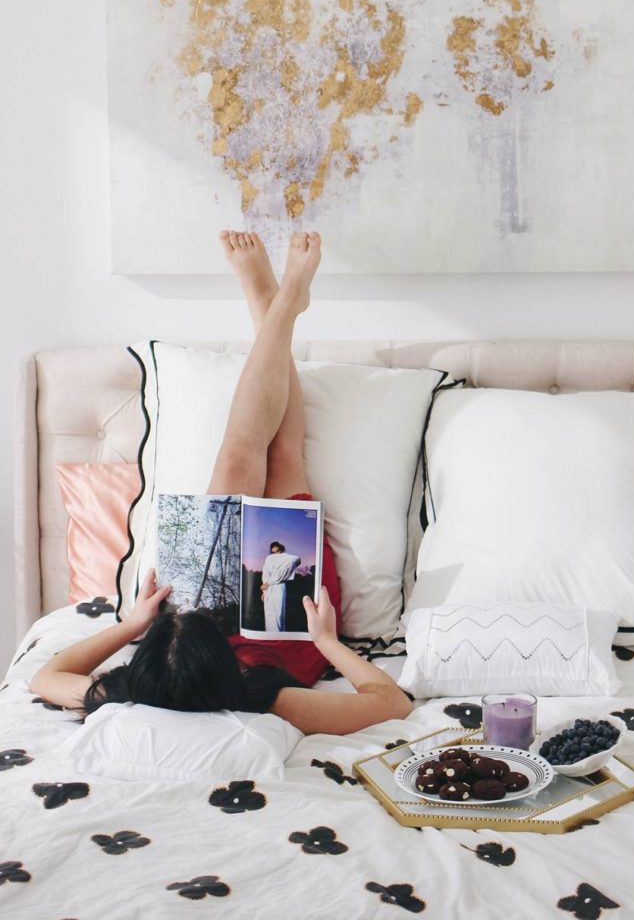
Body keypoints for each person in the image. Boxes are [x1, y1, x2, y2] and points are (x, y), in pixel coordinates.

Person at [29, 231, 412, 736]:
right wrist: (326, 642)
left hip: (201, 616)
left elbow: (45, 677)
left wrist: (133, 626)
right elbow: (392, 704)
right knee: (281, 458)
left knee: (238, 453)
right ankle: (277, 308)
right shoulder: (272, 700)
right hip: (288, 632)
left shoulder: (133, 695)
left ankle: (272, 308)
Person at [260, 540, 300, 632]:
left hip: (278, 586)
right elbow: (265, 574)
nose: (275, 553)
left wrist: (268, 583)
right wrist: (264, 592)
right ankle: (271, 636)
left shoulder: (287, 558)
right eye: (273, 551)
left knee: (278, 614)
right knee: (269, 615)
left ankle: (278, 636)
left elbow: (296, 560)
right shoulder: (269, 558)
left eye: (277, 551)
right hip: (268, 589)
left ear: (280, 549)